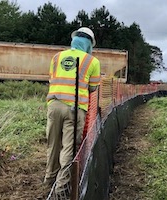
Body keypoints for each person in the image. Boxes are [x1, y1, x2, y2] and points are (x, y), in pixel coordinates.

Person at [43, 27, 101, 198]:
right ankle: (61, 189)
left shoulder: (56, 57)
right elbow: (93, 88)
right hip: (75, 110)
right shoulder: (92, 62)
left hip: (54, 105)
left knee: (52, 144)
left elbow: (52, 79)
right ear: (90, 44)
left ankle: (49, 179)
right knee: (68, 148)